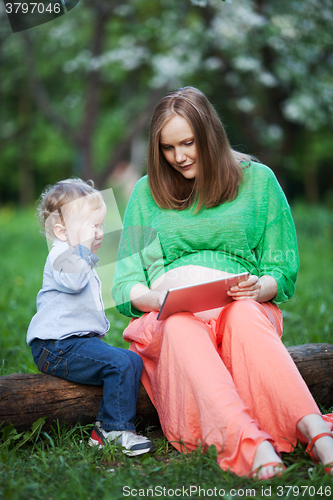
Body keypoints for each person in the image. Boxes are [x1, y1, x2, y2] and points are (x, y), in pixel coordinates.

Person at [111, 87, 333, 479]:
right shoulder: (146, 192)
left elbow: (282, 268)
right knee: (179, 324)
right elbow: (124, 279)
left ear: (210, 134)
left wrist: (260, 288)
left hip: (241, 305)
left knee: (245, 315)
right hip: (171, 315)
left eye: (188, 143)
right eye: (167, 148)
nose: (178, 157)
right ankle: (249, 443)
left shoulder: (259, 180)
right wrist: (155, 298)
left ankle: (313, 428)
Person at [27, 178, 154, 456]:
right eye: (91, 227)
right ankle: (113, 430)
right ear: (61, 231)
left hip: (73, 344)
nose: (99, 233)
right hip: (56, 346)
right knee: (121, 363)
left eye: (101, 226)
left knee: (130, 360)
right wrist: (83, 250)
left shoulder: (77, 256)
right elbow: (73, 283)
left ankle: (104, 429)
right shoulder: (62, 255)